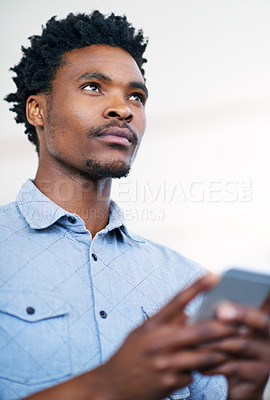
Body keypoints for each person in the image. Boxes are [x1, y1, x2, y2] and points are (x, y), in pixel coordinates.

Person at [1, 10, 269, 400]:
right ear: (37, 111)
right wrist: (109, 385)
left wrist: (246, 390)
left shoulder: (185, 282)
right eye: (93, 87)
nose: (123, 109)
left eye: (136, 96)